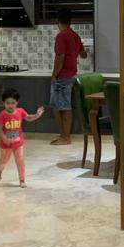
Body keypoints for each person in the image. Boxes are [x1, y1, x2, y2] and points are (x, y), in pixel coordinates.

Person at [49, 9, 87, 146]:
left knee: (63, 107)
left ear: (58, 21)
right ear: (70, 21)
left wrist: (54, 75)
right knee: (58, 106)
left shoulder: (61, 36)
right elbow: (83, 54)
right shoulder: (75, 35)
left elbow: (60, 57)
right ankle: (63, 135)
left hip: (62, 75)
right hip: (71, 74)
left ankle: (65, 137)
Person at [0, 88, 44, 188]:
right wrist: (4, 139)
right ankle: (0, 170)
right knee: (3, 160)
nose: (10, 105)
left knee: (20, 161)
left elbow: (29, 118)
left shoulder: (20, 111)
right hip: (6, 145)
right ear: (3, 103)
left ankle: (22, 180)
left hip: (18, 143)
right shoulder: (1, 116)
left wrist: (37, 115)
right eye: (7, 103)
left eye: (13, 103)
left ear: (17, 102)